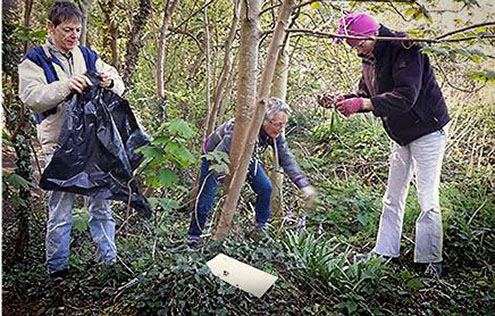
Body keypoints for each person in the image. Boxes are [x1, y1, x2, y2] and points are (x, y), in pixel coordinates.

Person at [327, 13, 450, 277]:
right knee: (392, 196)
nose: (355, 51)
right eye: (352, 47)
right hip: (400, 133)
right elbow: (366, 94)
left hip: (427, 128)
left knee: (427, 197)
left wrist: (363, 104)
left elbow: (406, 97)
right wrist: (345, 100)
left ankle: (431, 260)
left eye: (357, 45)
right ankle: (384, 251)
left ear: (370, 36)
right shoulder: (369, 57)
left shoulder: (405, 48)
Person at [18, 1, 125, 278]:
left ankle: (109, 264)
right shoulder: (34, 59)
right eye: (67, 29)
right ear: (50, 28)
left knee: (101, 205)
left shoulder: (87, 55)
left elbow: (118, 82)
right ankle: (58, 272)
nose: (73, 35)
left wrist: (108, 82)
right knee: (61, 210)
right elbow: (32, 97)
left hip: (92, 144)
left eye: (77, 29)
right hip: (58, 145)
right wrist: (66, 86)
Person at [188, 97, 317, 242]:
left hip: (246, 154)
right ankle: (193, 236)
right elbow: (219, 155)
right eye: (278, 124)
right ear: (264, 121)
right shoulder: (241, 128)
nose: (281, 129)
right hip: (214, 155)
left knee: (265, 187)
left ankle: (260, 228)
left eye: (284, 125)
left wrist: (303, 185)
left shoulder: (276, 135)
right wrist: (226, 179)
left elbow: (286, 158)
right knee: (207, 196)